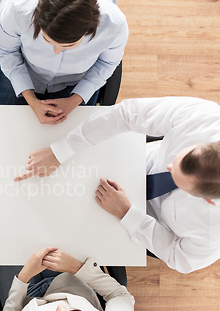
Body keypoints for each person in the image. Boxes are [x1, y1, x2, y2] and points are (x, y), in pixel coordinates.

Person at [16, 97, 220, 273]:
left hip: (140, 223)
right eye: (176, 160)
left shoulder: (213, 231)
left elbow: (179, 257)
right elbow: (127, 113)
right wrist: (60, 151)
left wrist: (127, 213)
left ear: (209, 201)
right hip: (132, 160)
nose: (168, 167)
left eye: (176, 179)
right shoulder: (207, 119)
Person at [0, 0, 128, 126]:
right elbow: (7, 52)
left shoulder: (114, 25)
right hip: (22, 67)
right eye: (47, 40)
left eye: (69, 45)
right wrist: (31, 100)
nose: (56, 51)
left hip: (76, 81)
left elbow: (106, 63)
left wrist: (74, 100)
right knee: (0, 128)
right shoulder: (16, 8)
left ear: (90, 29)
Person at [0, 247, 134, 311]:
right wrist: (76, 267)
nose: (60, 305)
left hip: (25, 297)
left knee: (2, 244)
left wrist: (24, 276)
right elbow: (119, 294)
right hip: (70, 279)